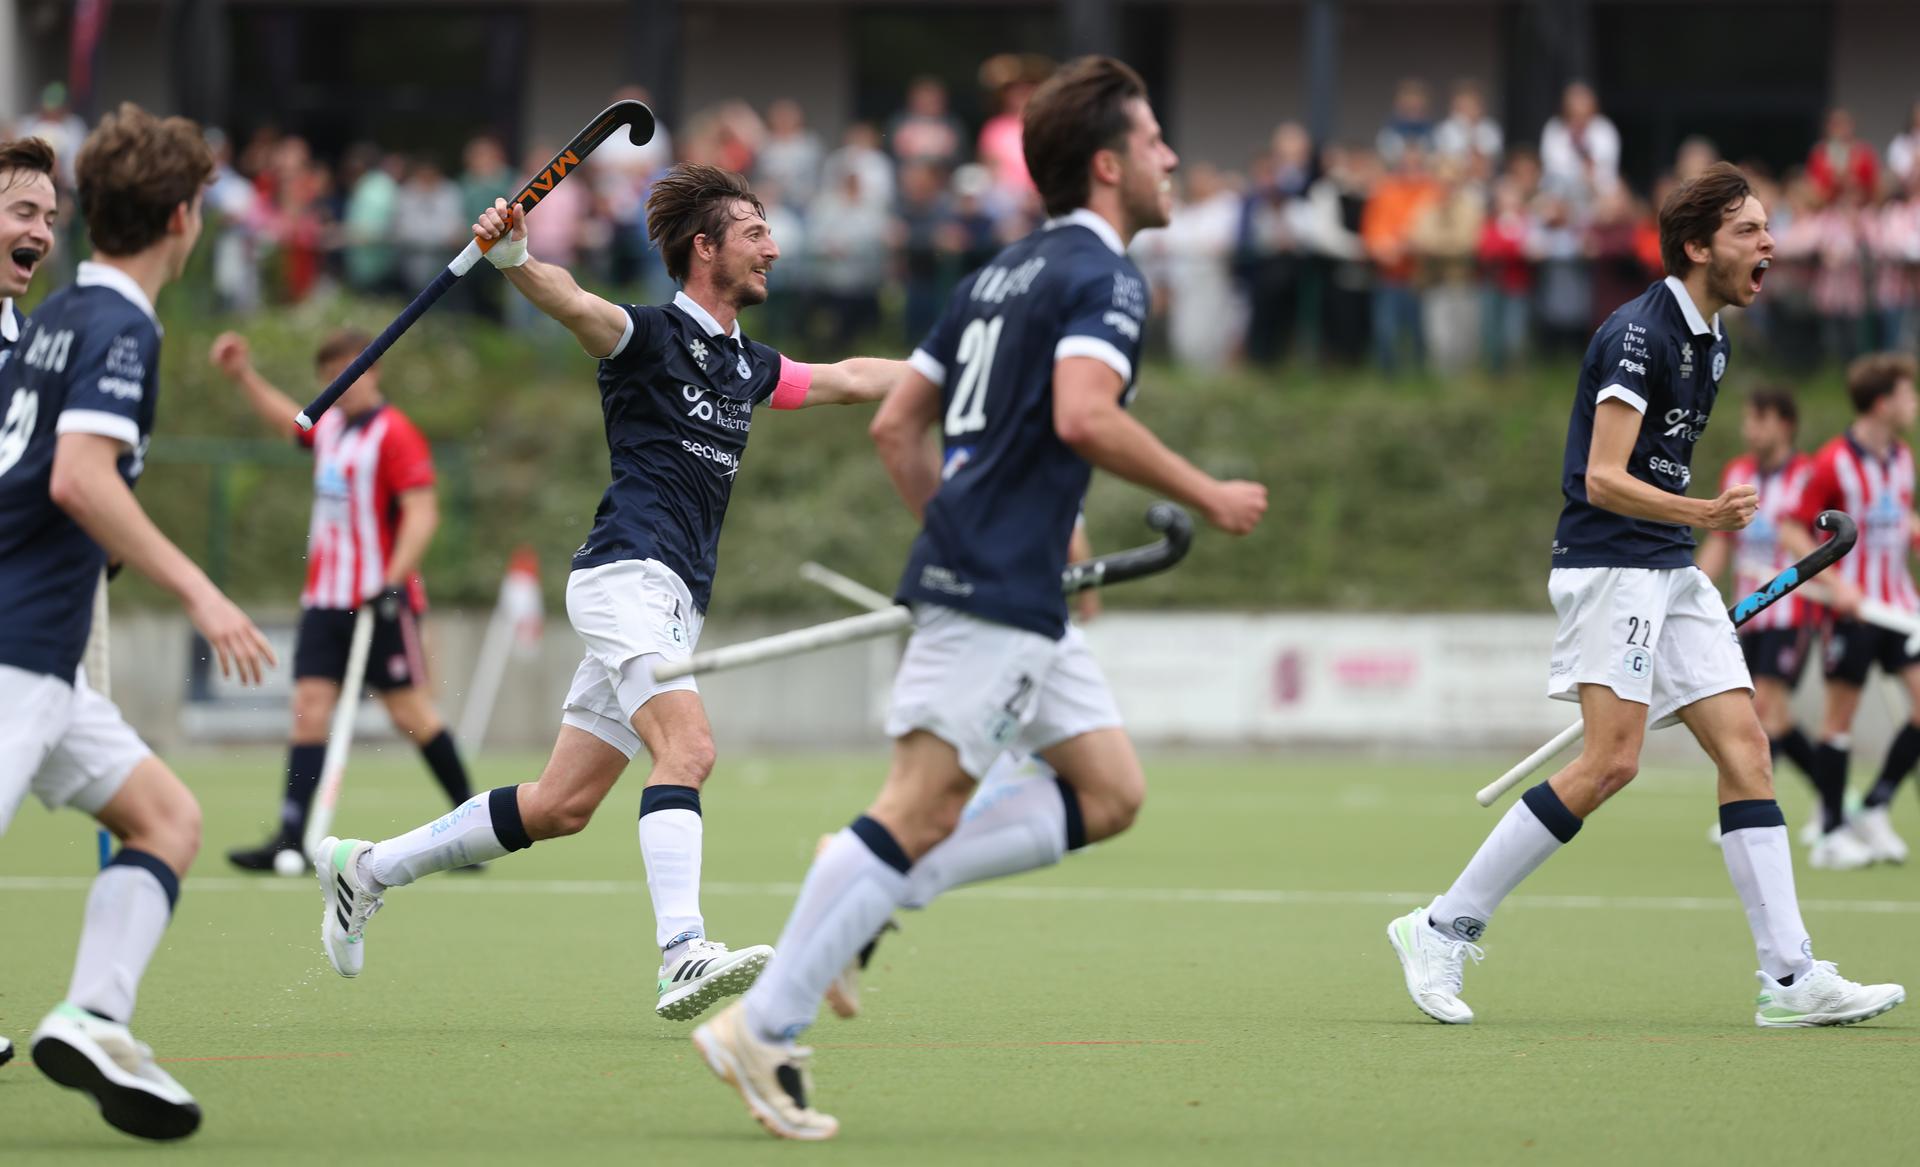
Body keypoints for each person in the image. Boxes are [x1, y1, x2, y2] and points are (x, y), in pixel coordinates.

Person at [690, 56, 1268, 1141]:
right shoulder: (1105, 278)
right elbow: (1084, 415)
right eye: (1153, 141)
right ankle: (759, 1026)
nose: (1172, 157)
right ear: (1107, 164)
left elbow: (896, 427)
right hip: (998, 589)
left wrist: (973, 530)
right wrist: (1207, 492)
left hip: (1012, 580)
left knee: (1108, 790)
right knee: (918, 806)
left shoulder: (997, 273)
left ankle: (864, 877)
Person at [307, 163, 903, 1028]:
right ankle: (681, 951)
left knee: (561, 805)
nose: (772, 246)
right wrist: (514, 257)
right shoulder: (649, 335)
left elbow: (847, 377)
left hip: (668, 596)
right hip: (629, 573)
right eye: (752, 232)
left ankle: (366, 868)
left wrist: (949, 368)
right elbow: (579, 304)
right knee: (688, 750)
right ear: (705, 249)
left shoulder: (749, 363)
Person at [1387, 162, 1903, 1030]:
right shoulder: (1640, 334)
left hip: (1668, 563)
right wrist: (1705, 510)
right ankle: (1440, 927)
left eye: (1770, 227)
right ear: (1698, 246)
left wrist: (1690, 530)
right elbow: (1601, 478)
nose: (1769, 243)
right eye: (1749, 230)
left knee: (1746, 749)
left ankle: (1790, 978)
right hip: (1608, 562)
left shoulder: (1715, 341)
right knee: (1611, 762)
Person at [0, 105, 275, 1140]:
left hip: (45, 664)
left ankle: (95, 1016)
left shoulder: (61, 311)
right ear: (180, 218)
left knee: (166, 820)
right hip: (15, 651)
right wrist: (202, 590)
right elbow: (78, 477)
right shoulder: (116, 324)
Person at [208, 327, 477, 873]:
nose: (341, 383)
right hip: (325, 599)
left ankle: (472, 830)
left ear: (374, 371)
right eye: (331, 375)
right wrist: (243, 377)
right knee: (309, 710)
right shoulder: (329, 428)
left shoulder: (395, 434)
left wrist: (392, 580)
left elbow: (422, 512)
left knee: (412, 713)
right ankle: (291, 837)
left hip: (381, 599)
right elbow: (289, 421)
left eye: (351, 371)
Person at [1783, 352, 1920, 868]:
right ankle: (1833, 833)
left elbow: (1900, 515)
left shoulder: (1903, 457)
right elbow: (1796, 527)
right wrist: (1835, 583)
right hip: (1852, 611)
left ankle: (1876, 805)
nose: (1915, 403)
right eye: (1908, 394)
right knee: (1838, 719)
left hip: (1899, 606)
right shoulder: (1832, 461)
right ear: (1883, 403)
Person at [1694, 388, 1823, 844]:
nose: (1752, 429)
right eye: (1750, 419)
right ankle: (1834, 798)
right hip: (1745, 617)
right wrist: (1692, 594)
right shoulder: (1739, 472)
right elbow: (1721, 542)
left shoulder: (1808, 475)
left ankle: (1753, 807)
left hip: (1792, 613)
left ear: (1785, 424)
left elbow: (1814, 546)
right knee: (1764, 715)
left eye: (1761, 419)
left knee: (1766, 708)